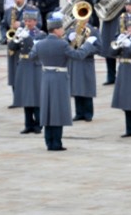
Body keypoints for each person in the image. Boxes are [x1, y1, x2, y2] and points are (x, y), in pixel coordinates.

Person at [29, 13, 97, 151]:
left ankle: (49, 142)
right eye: (61, 28)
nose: (63, 31)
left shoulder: (41, 43)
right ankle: (57, 143)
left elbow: (32, 57)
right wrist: (88, 44)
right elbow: (78, 55)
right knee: (58, 110)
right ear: (56, 30)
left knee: (48, 110)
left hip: (46, 77)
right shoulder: (62, 44)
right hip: (59, 78)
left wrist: (35, 47)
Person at [8, 9, 46, 134]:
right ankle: (28, 124)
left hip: (35, 66)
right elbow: (12, 49)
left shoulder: (40, 34)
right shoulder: (21, 32)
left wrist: (28, 37)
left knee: (35, 96)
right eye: (25, 21)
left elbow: (37, 49)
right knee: (25, 96)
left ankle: (38, 124)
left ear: (35, 21)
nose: (27, 23)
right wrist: (15, 39)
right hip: (23, 65)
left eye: (30, 21)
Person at [0, 0, 40, 108]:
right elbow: (3, 25)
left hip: (26, 46)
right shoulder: (9, 11)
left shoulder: (32, 10)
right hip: (13, 45)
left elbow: (40, 24)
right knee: (13, 73)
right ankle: (16, 99)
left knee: (27, 75)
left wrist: (21, 24)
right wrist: (5, 37)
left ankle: (28, 98)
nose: (17, 0)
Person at [66, 10, 101, 122]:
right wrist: (68, 39)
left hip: (86, 61)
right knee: (76, 86)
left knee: (86, 86)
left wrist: (87, 48)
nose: (80, 19)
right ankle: (79, 112)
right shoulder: (71, 30)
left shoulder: (93, 31)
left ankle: (88, 113)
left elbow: (99, 48)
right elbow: (66, 47)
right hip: (74, 61)